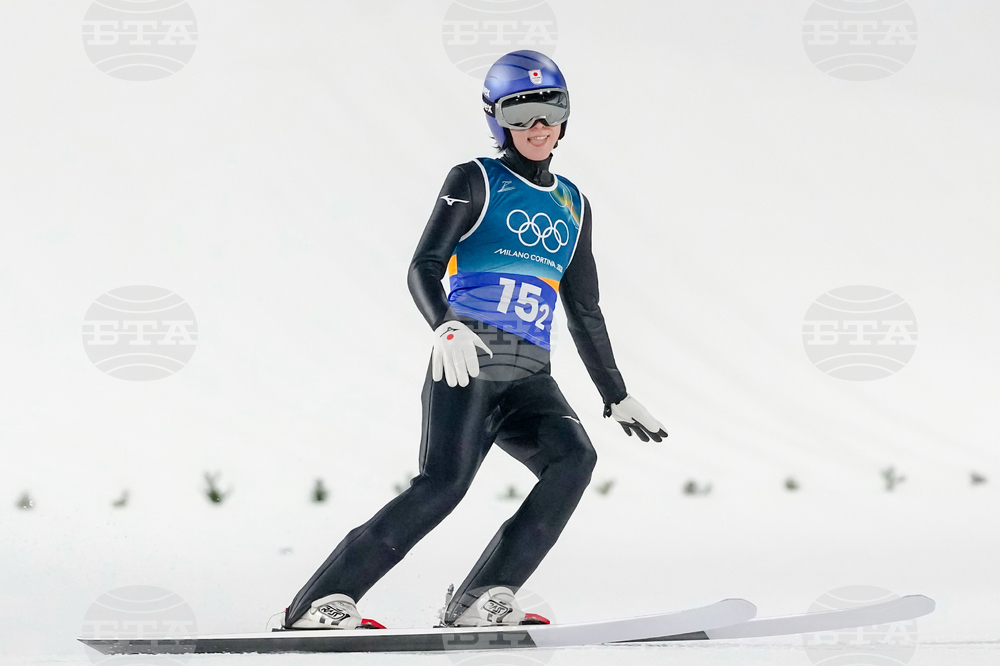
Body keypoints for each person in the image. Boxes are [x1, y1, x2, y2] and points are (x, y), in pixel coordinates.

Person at [282, 49, 667, 630]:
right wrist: (446, 325)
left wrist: (615, 393)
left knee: (575, 460)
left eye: (549, 110)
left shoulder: (573, 203)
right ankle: (319, 604)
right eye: (521, 114)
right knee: (442, 486)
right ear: (496, 119)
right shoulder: (475, 179)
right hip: (469, 361)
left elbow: (584, 307)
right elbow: (424, 265)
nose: (537, 128)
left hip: (532, 374)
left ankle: (482, 598)